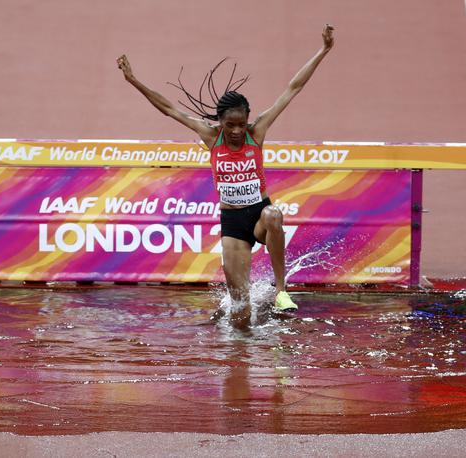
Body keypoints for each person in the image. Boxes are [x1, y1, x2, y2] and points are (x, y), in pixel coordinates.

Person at [117, 25, 334, 326]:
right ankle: (237, 352)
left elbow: (292, 89)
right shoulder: (210, 137)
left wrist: (323, 51)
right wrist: (133, 80)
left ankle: (282, 291)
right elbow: (168, 108)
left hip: (258, 214)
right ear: (219, 122)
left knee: (274, 214)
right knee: (240, 314)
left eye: (240, 124)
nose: (235, 132)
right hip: (232, 223)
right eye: (230, 125)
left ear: (247, 120)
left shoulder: (256, 133)